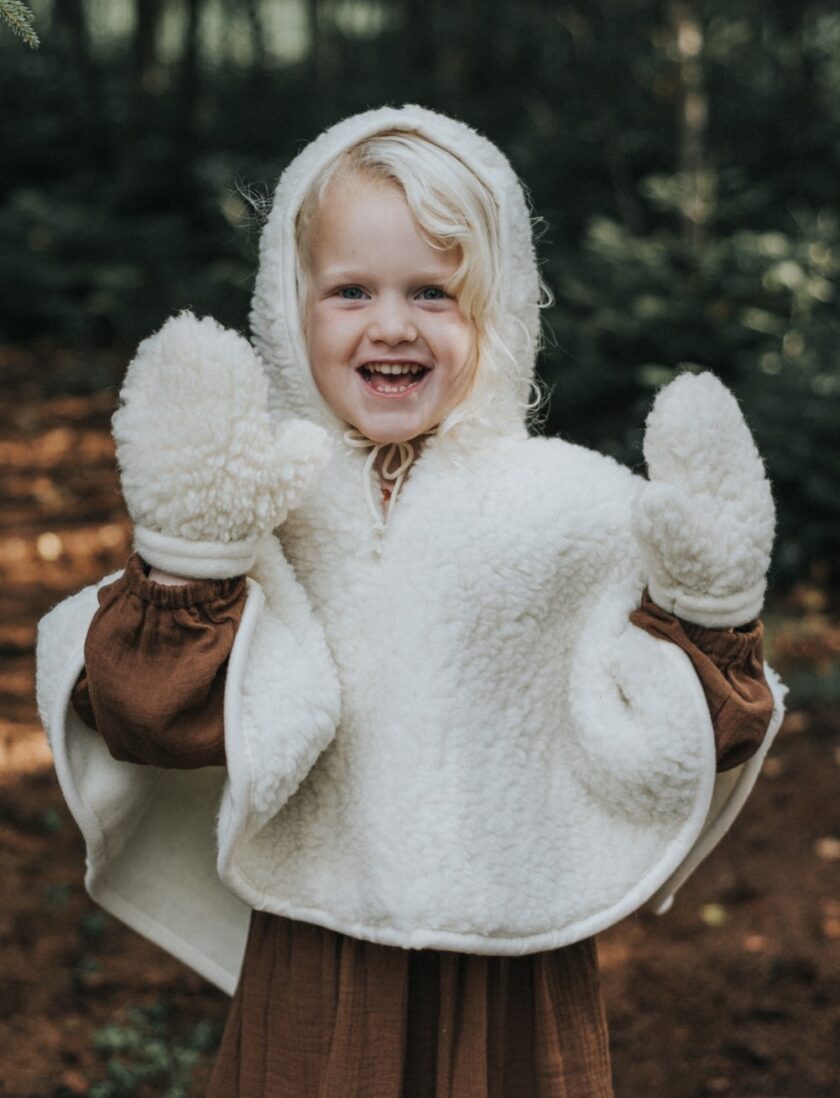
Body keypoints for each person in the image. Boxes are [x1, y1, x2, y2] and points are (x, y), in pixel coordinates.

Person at [36, 105, 786, 1097]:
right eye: (351, 291)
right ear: (288, 306)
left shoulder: (568, 503)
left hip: (513, 951)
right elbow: (150, 711)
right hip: (318, 947)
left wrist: (710, 602)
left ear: (499, 310)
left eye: (434, 291)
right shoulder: (267, 497)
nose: (393, 323)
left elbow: (686, 728)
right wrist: (192, 553)